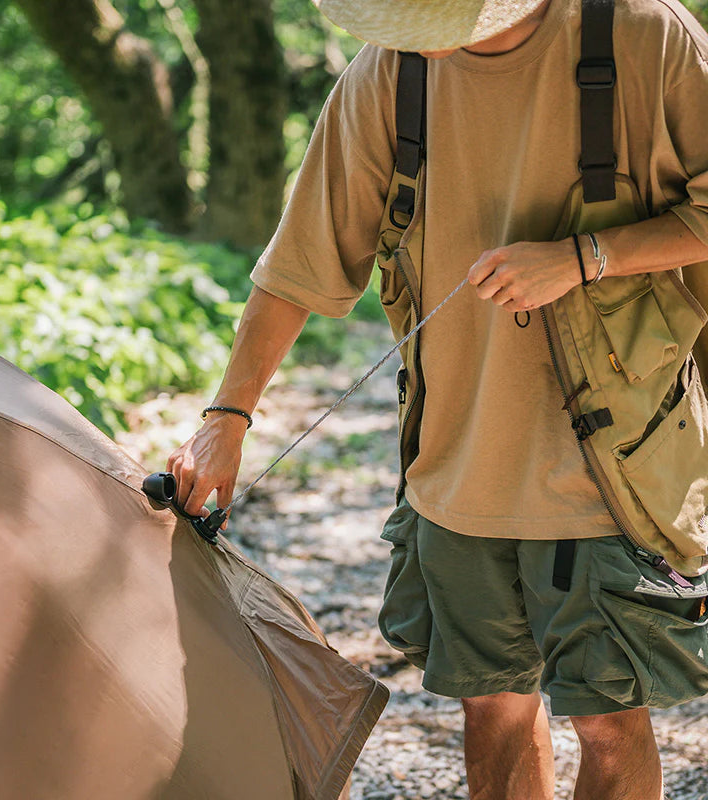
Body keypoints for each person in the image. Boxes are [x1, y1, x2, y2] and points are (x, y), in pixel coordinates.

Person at [167, 1, 708, 797]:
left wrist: (585, 255)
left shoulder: (646, 36)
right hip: (454, 467)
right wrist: (227, 419)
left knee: (610, 725)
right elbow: (298, 263)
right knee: (491, 709)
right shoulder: (392, 65)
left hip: (617, 468)